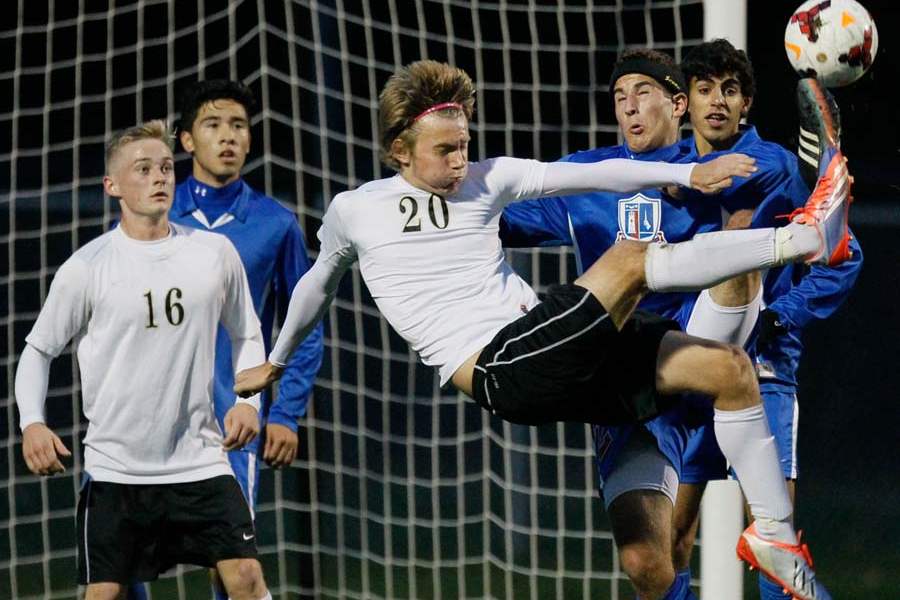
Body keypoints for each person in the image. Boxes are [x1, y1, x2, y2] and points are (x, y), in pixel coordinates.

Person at [234, 60, 850, 600]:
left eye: (464, 144)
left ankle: (775, 540)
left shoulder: (485, 178)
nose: (460, 160)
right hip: (498, 367)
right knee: (632, 259)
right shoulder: (355, 210)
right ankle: (801, 239)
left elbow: (594, 175)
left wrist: (689, 177)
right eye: (445, 150)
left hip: (554, 345)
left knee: (729, 371)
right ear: (399, 151)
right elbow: (316, 284)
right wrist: (279, 360)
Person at [14, 120, 272, 600]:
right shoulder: (87, 267)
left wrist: (248, 403)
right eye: (143, 169)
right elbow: (38, 349)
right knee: (104, 595)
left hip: (200, 461)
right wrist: (32, 422)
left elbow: (247, 333)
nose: (160, 178)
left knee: (246, 578)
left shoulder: (213, 253)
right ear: (112, 186)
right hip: (117, 470)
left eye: (166, 167)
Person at [669, 40, 862, 600]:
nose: (717, 102)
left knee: (777, 554)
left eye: (729, 90)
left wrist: (782, 315)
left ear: (746, 102)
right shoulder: (668, 174)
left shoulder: (777, 169)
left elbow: (844, 252)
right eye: (704, 89)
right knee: (667, 545)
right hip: (686, 377)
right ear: (686, 102)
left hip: (762, 374)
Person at [167, 79, 324, 600]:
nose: (228, 136)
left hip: (228, 422)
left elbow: (304, 325)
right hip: (146, 417)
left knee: (234, 570)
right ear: (187, 140)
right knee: (114, 571)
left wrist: (284, 413)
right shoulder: (153, 217)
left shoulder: (275, 224)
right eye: (213, 124)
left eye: (238, 125)